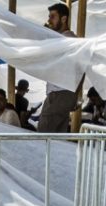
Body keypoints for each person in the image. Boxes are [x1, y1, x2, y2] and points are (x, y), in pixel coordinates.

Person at [36, 3, 79, 133]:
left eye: (53, 17)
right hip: (66, 94)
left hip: (58, 93)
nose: (49, 21)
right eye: (49, 17)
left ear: (64, 19)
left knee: (44, 136)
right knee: (56, 139)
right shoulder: (71, 40)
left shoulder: (64, 41)